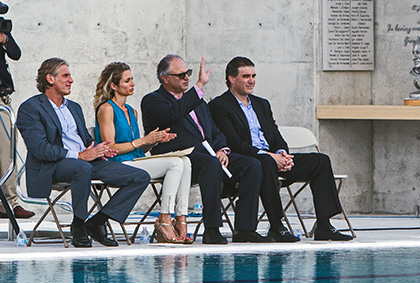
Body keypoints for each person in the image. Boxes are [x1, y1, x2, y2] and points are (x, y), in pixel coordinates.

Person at [141, 55, 295, 244]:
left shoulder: (198, 103)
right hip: (178, 157)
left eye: (187, 73)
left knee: (252, 164)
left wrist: (222, 149)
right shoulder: (153, 100)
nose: (186, 78)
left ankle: (245, 229)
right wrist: (199, 87)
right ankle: (212, 229)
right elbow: (174, 113)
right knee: (211, 164)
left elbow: (214, 131)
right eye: (181, 75)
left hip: (208, 155)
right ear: (165, 78)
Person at [209, 56, 353, 241]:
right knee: (265, 162)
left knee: (320, 161)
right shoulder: (219, 105)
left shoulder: (262, 104)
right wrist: (269, 155)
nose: (251, 80)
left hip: (270, 157)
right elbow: (234, 143)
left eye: (253, 75)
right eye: (246, 76)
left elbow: (275, 135)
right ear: (231, 78)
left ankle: (324, 225)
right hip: (248, 160)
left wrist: (282, 153)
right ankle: (276, 226)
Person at [16, 58, 150, 247]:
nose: (71, 80)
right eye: (66, 75)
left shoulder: (74, 107)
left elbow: (86, 141)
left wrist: (98, 149)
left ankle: (97, 222)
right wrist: (79, 156)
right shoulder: (31, 108)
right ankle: (78, 224)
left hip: (86, 162)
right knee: (81, 168)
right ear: (50, 79)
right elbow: (40, 149)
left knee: (140, 177)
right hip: (52, 165)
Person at [93, 62, 193, 244]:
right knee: (175, 163)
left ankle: (181, 219)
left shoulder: (132, 112)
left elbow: (139, 148)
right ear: (114, 86)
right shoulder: (106, 109)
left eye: (132, 79)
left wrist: (154, 141)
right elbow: (110, 148)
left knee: (184, 160)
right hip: (118, 164)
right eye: (127, 80)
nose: (132, 83)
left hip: (135, 161)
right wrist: (144, 140)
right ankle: (164, 220)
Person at [0, 29, 34, 220]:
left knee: (7, 152)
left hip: (2, 100)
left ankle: (10, 203)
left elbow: (16, 54)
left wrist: (5, 39)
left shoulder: (3, 31)